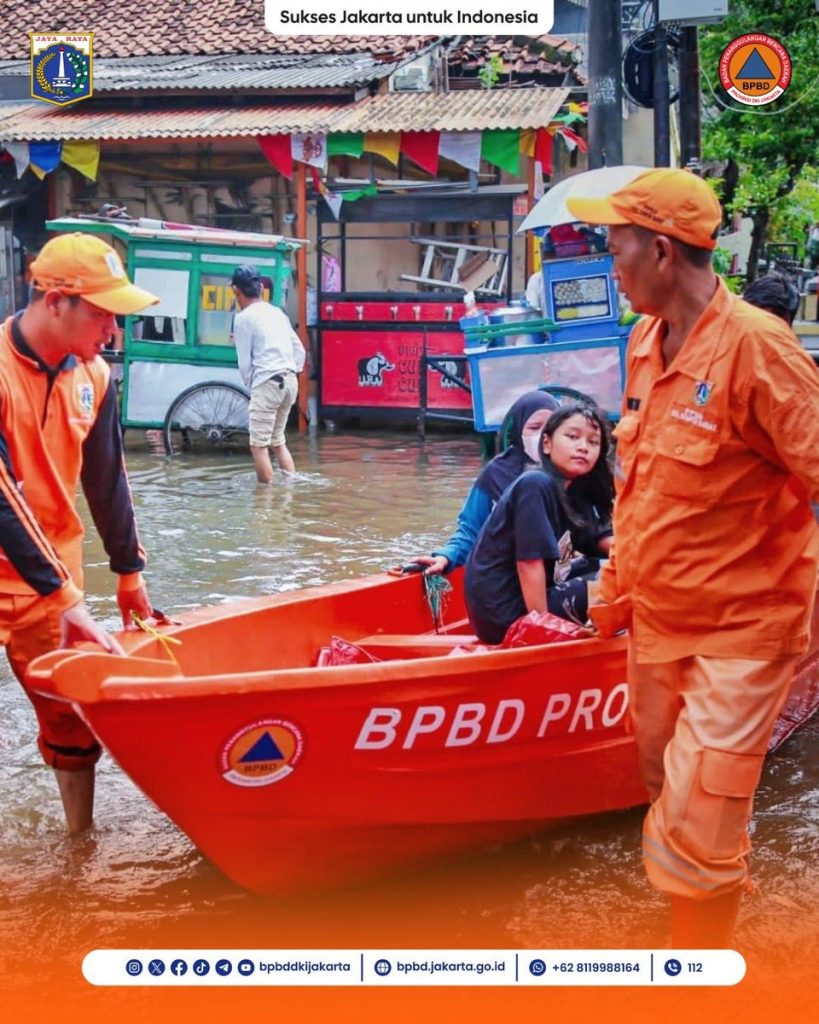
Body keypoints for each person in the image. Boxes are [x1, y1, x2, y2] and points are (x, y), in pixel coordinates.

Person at [566, 168, 819, 947]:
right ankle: (705, 930)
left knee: (697, 812)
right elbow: (640, 486)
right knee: (667, 792)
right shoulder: (645, 340)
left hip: (744, 629)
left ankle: (697, 978)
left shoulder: (759, 350)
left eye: (617, 250)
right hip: (658, 620)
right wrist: (609, 599)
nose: (611, 266)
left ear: (662, 252)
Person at [0, 231, 160, 834]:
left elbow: (107, 481)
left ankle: (77, 844)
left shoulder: (94, 375)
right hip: (48, 581)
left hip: (47, 579)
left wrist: (129, 574)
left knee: (67, 713)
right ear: (54, 300)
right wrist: (68, 597)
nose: (111, 331)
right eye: (101, 313)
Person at [465, 404, 614, 644]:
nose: (583, 447)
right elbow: (528, 563)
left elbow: (597, 541)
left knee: (618, 567)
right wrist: (542, 628)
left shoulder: (573, 493)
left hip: (530, 600)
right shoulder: (535, 484)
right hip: (507, 616)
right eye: (572, 437)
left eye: (593, 442)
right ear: (547, 443)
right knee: (619, 579)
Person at [416, 390, 560, 577]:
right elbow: (471, 531)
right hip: (509, 580)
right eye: (534, 428)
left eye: (550, 428)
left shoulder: (574, 472)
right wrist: (446, 556)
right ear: (518, 431)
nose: (542, 436)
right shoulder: (495, 474)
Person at [231, 264, 306, 482]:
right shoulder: (277, 313)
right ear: (260, 288)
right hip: (290, 381)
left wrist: (255, 387)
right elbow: (299, 350)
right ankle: (289, 492)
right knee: (277, 441)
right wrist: (290, 371)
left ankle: (266, 503)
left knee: (258, 446)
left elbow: (245, 362)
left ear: (236, 291)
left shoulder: (243, 318)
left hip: (268, 383)